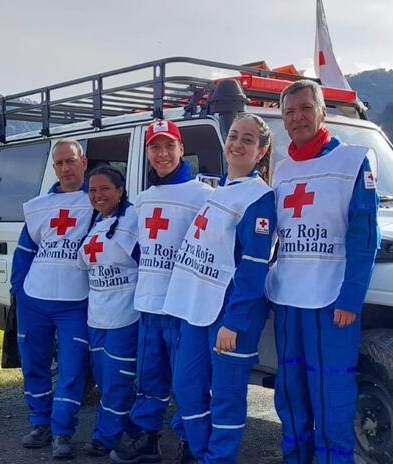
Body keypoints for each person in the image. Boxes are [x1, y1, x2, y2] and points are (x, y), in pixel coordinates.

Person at [266, 80, 380, 463]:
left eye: (304, 109)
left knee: (332, 393)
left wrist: (351, 298)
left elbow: (365, 237)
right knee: (291, 390)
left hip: (332, 302)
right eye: (289, 112)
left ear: (322, 111)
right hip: (288, 300)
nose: (297, 117)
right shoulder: (281, 171)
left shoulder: (352, 161)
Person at [163, 114, 276, 464]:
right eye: (233, 136)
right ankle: (200, 452)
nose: (237, 144)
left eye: (248, 139)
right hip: (197, 309)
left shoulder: (259, 198)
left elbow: (253, 268)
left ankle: (218, 459)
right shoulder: (219, 191)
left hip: (229, 316)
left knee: (226, 397)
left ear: (262, 151)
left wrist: (234, 322)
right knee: (186, 387)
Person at [110, 119, 213, 464]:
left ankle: (190, 443)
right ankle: (147, 439)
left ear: (182, 149)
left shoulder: (204, 196)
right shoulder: (143, 199)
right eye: (155, 147)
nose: (163, 153)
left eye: (170, 145)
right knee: (149, 378)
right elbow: (137, 246)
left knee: (188, 382)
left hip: (184, 306)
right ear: (147, 152)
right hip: (150, 301)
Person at [10, 139, 92, 460]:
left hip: (75, 302)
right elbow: (24, 253)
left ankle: (62, 431)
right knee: (34, 364)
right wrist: (19, 293)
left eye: (70, 161)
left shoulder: (96, 201)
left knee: (72, 368)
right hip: (35, 299)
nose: (65, 168)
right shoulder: (38, 206)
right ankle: (40, 423)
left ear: (82, 161)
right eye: (58, 163)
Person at [76, 166, 141, 457]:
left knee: (117, 382)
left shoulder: (132, 221)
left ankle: (106, 437)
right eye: (92, 190)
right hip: (97, 317)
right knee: (104, 381)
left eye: (104, 189)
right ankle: (136, 431)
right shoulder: (94, 223)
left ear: (120, 191)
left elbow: (146, 264)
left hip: (125, 317)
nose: (98, 195)